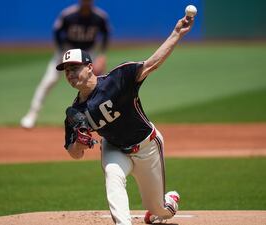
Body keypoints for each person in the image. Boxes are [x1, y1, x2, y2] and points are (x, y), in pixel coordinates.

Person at [57, 15, 194, 225]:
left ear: (90, 67)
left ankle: (170, 201)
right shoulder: (75, 113)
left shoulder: (117, 79)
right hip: (114, 148)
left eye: (74, 68)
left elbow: (152, 64)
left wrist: (176, 34)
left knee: (159, 209)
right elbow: (74, 153)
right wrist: (79, 142)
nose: (70, 74)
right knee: (112, 174)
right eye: (66, 71)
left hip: (147, 146)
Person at [20, 0, 110, 129]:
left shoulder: (100, 17)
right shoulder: (68, 15)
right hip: (67, 52)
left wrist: (102, 55)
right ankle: (32, 115)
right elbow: (57, 32)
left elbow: (106, 34)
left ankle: (99, 117)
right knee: (48, 81)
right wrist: (62, 51)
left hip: (88, 54)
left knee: (98, 84)